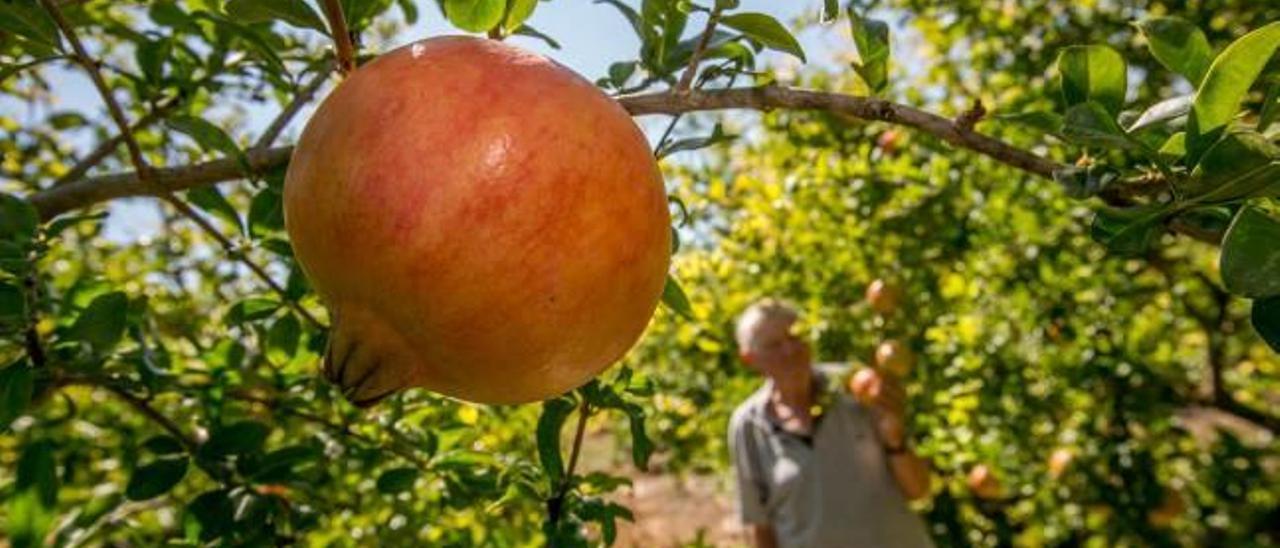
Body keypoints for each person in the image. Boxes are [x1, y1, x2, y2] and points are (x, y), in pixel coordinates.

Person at [728, 299, 934, 548]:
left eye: (796, 337)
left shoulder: (856, 388)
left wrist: (895, 438)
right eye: (774, 345)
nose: (790, 350)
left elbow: (919, 490)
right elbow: (758, 525)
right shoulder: (749, 425)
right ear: (749, 358)